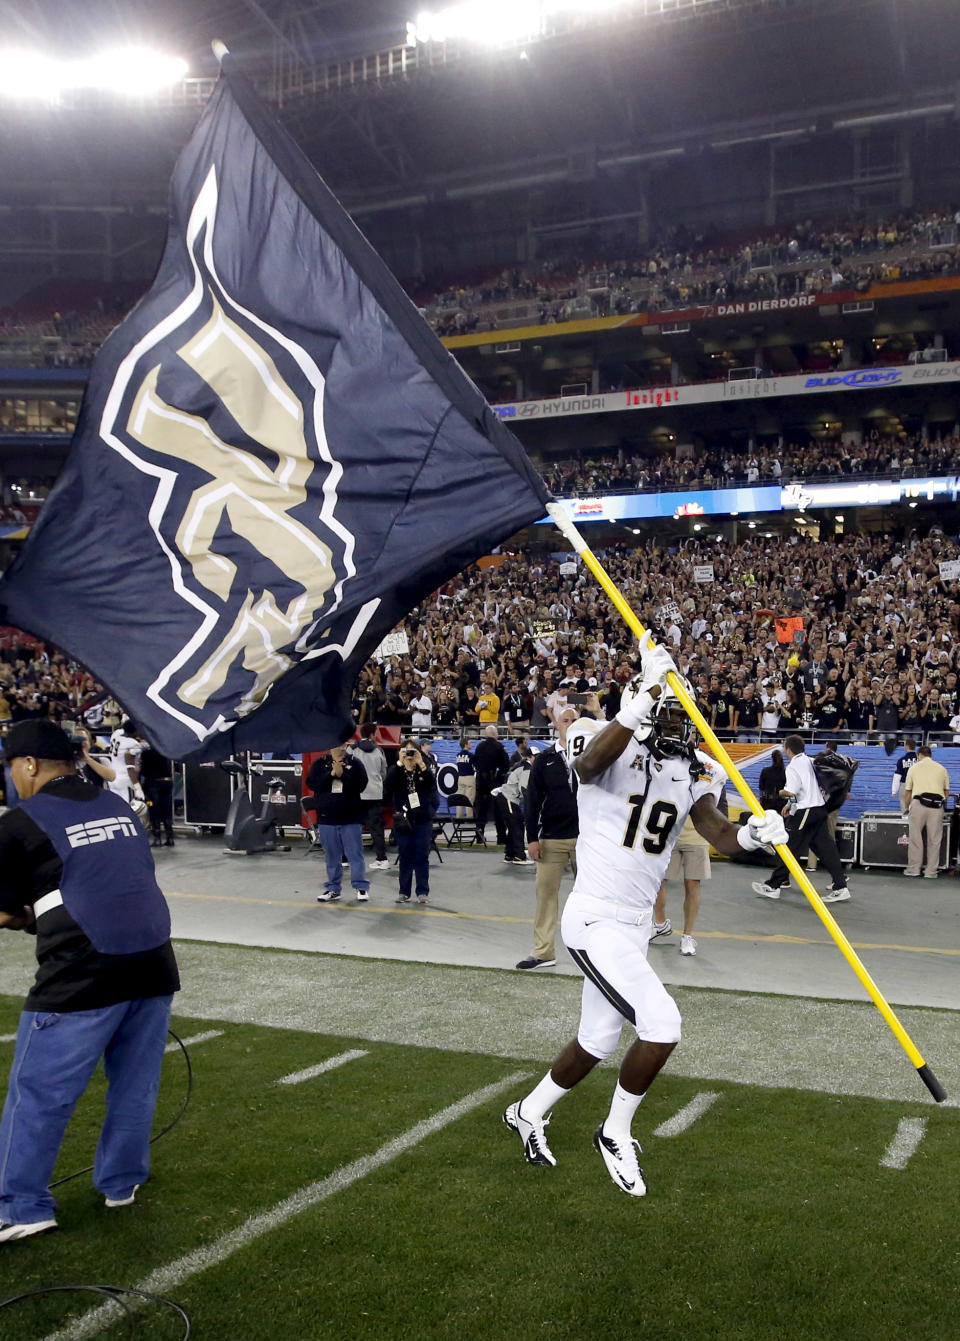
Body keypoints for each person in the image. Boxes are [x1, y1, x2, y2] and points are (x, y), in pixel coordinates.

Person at [503, 634, 787, 1196]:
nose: (680, 725)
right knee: (663, 1025)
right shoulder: (598, 735)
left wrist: (755, 835)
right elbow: (586, 766)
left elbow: (717, 832)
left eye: (684, 714)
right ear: (645, 705)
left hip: (634, 923)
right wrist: (637, 703)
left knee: (596, 1040)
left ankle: (528, 1112)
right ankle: (615, 1131)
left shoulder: (694, 769)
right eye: (668, 710)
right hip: (595, 917)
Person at [0, 720, 179, 1241]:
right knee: (134, 1085)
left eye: (12, 766)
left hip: (83, 967)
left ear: (29, 764)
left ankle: (20, 1207)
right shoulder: (118, 805)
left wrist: (32, 913)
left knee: (37, 1092)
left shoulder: (20, 822)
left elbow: (9, 912)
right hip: (152, 961)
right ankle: (122, 1184)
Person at [752, 734, 851, 902]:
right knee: (826, 848)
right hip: (818, 809)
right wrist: (789, 805)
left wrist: (779, 793)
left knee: (789, 846)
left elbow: (791, 790)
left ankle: (774, 886)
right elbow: (806, 788)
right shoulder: (811, 761)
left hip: (806, 811)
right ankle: (840, 886)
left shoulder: (792, 767)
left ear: (787, 749)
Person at [306, 746, 370, 904]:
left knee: (355, 854)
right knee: (332, 856)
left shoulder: (355, 763)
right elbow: (313, 784)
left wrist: (344, 774)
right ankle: (333, 888)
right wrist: (331, 775)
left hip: (351, 817)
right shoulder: (320, 763)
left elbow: (361, 785)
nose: (341, 747)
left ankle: (361, 887)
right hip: (327, 818)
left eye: (343, 744)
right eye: (337, 744)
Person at [384, 743, 439, 905]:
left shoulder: (424, 768)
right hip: (403, 819)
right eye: (406, 751)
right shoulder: (396, 770)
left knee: (422, 856)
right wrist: (400, 763)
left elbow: (431, 784)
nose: (409, 755)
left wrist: (421, 763)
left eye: (412, 751)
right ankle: (404, 891)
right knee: (405, 855)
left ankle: (422, 891)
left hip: (422, 819)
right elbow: (387, 788)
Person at [903, 745, 950, 879]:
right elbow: (946, 792)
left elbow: (908, 792)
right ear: (930, 755)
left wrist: (907, 808)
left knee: (915, 838)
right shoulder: (942, 768)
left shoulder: (914, 768)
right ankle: (931, 872)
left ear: (919, 755)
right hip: (936, 806)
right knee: (934, 840)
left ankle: (914, 869)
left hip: (918, 803)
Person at [349, 723, 388, 870]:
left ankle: (347, 858)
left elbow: (348, 770)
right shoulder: (379, 750)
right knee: (376, 827)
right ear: (372, 734)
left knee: (351, 826)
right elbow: (383, 772)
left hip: (357, 794)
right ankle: (382, 858)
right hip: (375, 793)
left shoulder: (352, 749)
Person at [494, 742, 534, 865]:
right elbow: (524, 788)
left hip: (506, 797)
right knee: (517, 825)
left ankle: (510, 854)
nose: (536, 759)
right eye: (535, 756)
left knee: (514, 825)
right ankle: (519, 856)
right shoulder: (527, 768)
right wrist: (530, 805)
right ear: (529, 757)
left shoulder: (521, 765)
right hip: (509, 798)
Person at [473, 724, 509, 843]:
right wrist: (499, 777)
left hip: (481, 781)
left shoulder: (479, 747)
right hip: (494, 781)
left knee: (481, 809)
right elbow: (505, 765)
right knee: (498, 809)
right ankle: (501, 837)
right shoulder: (499, 747)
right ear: (494, 734)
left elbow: (475, 762)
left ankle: (479, 836)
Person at [139, 742, 175, 847]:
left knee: (154, 810)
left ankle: (157, 838)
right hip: (167, 782)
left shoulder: (146, 753)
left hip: (153, 784)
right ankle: (170, 838)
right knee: (167, 810)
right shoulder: (164, 750)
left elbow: (143, 770)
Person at [892, 738, 918, 814]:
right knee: (917, 811)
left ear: (906, 746)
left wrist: (894, 791)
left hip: (905, 785)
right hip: (918, 786)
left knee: (905, 810)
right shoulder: (920, 759)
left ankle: (906, 823)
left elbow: (897, 776)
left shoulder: (901, 760)